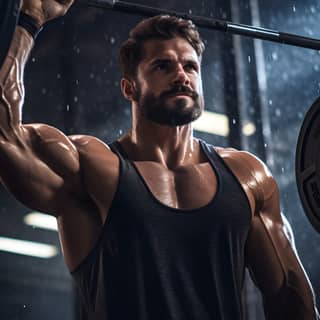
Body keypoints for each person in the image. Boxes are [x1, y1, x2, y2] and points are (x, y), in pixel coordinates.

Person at [0, 0, 318, 319]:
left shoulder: (248, 177)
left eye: (190, 66)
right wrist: (30, 19)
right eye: (163, 66)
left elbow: (293, 300)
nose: (182, 76)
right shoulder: (91, 167)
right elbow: (5, 134)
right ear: (129, 88)